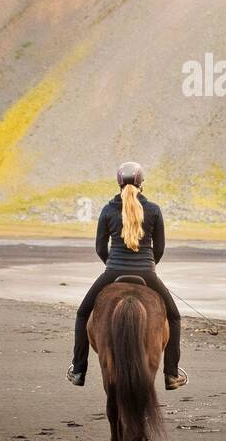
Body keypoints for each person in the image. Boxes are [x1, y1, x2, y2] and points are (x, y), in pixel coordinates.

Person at [67, 162, 187, 390]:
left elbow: (100, 247)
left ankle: (79, 370)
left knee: (82, 314)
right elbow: (159, 248)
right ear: (141, 183)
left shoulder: (107, 209)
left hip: (113, 271)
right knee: (174, 317)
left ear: (119, 183)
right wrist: (149, 267)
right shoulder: (153, 209)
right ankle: (171, 374)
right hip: (146, 272)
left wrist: (112, 267)